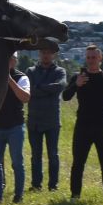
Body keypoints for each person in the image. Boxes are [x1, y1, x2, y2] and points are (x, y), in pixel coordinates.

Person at [61, 45, 103, 199]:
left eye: (94, 57)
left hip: (102, 127)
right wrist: (76, 85)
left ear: (100, 58)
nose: (91, 60)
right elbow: (65, 97)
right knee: (78, 163)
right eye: (88, 57)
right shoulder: (78, 77)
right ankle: (75, 196)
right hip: (82, 126)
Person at [0, 52, 30, 204]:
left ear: (15, 61)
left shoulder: (22, 77)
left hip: (15, 127)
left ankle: (18, 195)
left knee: (17, 162)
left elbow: (25, 97)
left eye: (9, 59)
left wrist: (10, 81)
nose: (5, 62)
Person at [25, 39, 67, 192]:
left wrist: (38, 88)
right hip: (34, 120)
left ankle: (53, 185)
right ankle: (36, 185)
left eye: (49, 53)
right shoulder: (30, 71)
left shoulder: (60, 72)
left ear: (53, 55)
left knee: (53, 155)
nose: (46, 55)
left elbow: (60, 86)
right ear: (39, 53)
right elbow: (29, 90)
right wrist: (46, 89)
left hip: (52, 121)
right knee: (35, 156)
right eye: (43, 52)